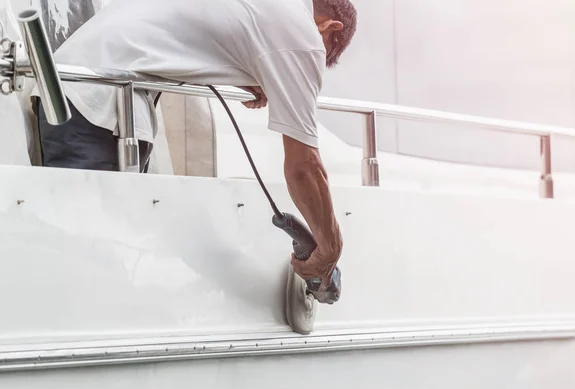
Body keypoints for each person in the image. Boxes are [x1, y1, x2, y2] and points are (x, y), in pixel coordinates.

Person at [31, 0, 357, 310]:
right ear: (330, 25)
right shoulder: (302, 33)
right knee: (82, 254)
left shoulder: (270, 10)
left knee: (116, 235)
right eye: (324, 54)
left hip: (84, 87)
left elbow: (190, 32)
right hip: (95, 98)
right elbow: (304, 168)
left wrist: (249, 74)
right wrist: (330, 249)